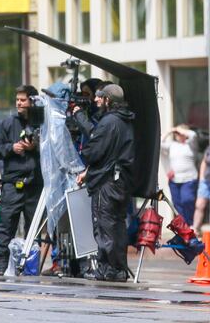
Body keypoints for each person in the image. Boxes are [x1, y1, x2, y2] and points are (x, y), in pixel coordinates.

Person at [76, 84, 135, 282]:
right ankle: (117, 268)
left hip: (107, 183)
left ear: (108, 100)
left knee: (105, 225)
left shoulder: (109, 121)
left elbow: (95, 151)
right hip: (121, 181)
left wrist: (86, 154)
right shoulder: (125, 120)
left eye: (101, 97)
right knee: (117, 225)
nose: (96, 101)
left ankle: (108, 269)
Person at [0, 85, 42, 276]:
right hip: (12, 183)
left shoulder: (42, 123)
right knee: (5, 226)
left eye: (23, 100)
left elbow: (53, 151)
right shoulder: (6, 124)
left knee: (34, 229)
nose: (19, 103)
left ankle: (30, 265)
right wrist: (12, 148)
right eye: (17, 100)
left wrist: (35, 147)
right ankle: (1, 264)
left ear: (33, 101)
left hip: (36, 184)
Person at [161, 124, 199, 225]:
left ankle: (190, 223)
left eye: (180, 133)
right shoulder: (172, 145)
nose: (178, 135)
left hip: (189, 178)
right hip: (174, 180)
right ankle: (184, 227)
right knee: (177, 204)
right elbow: (159, 143)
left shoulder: (190, 144)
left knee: (187, 200)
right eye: (176, 134)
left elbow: (193, 135)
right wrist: (170, 131)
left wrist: (180, 130)